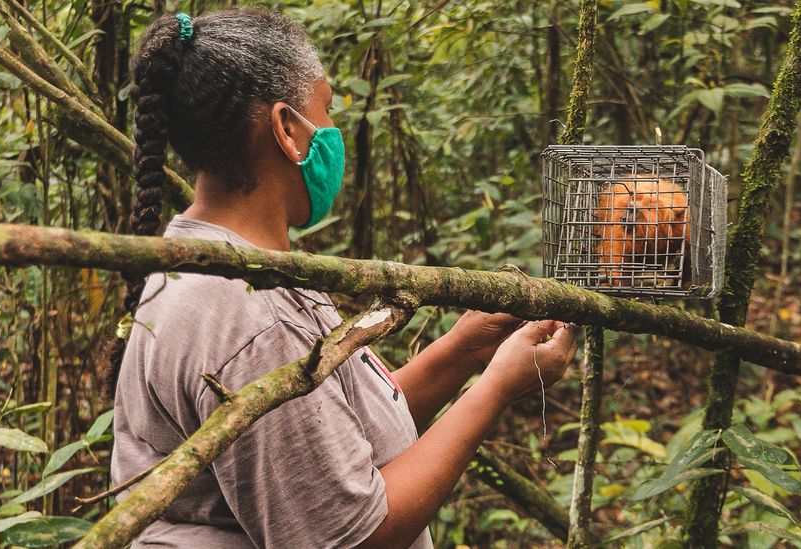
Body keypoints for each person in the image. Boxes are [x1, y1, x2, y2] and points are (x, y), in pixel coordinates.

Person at [105, 9, 578, 548]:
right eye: (324, 111)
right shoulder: (247, 314)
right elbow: (354, 536)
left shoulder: (232, 265)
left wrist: (465, 352)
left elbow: (331, 433)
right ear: (287, 129)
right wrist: (497, 387)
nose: (333, 133)